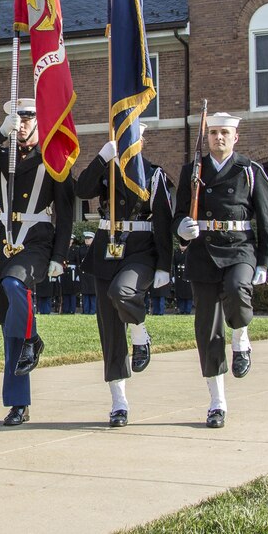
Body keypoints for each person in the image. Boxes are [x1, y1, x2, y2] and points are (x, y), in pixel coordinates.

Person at [0, 98, 74, 427]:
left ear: (40, 122)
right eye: (19, 118)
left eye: (30, 117)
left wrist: (60, 255)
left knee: (14, 284)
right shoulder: (3, 155)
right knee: (9, 324)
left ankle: (33, 339)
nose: (24, 123)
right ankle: (18, 403)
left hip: (37, 238)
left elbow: (67, 213)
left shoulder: (53, 157)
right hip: (4, 238)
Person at [174, 112, 268, 429]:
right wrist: (182, 229)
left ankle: (242, 338)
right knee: (207, 330)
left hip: (239, 248)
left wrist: (263, 262)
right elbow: (177, 214)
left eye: (224, 133)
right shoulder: (193, 170)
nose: (219, 138)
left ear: (235, 137)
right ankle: (217, 402)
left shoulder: (249, 171)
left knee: (237, 290)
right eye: (213, 132)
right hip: (203, 252)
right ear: (207, 137)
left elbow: (267, 219)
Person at [75, 123, 173, 427]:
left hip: (140, 251)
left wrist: (165, 266)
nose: (127, 143)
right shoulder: (106, 170)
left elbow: (165, 224)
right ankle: (119, 401)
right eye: (121, 138)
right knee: (110, 331)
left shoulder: (154, 174)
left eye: (133, 138)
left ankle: (141, 331)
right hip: (107, 249)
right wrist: (103, 157)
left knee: (122, 291)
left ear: (142, 140)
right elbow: (81, 190)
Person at [79, 232, 97, 314]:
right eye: (86, 238)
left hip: (92, 273)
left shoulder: (96, 248)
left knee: (93, 293)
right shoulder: (81, 248)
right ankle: (86, 310)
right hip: (84, 273)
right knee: (85, 293)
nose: (87, 240)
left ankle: (93, 310)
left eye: (89, 238)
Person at [172, 244, 193, 314]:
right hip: (179, 276)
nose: (182, 247)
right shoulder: (177, 252)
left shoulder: (190, 252)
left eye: (184, 246)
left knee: (189, 295)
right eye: (181, 245)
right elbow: (174, 263)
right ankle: (181, 310)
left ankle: (188, 310)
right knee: (180, 294)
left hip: (188, 275)